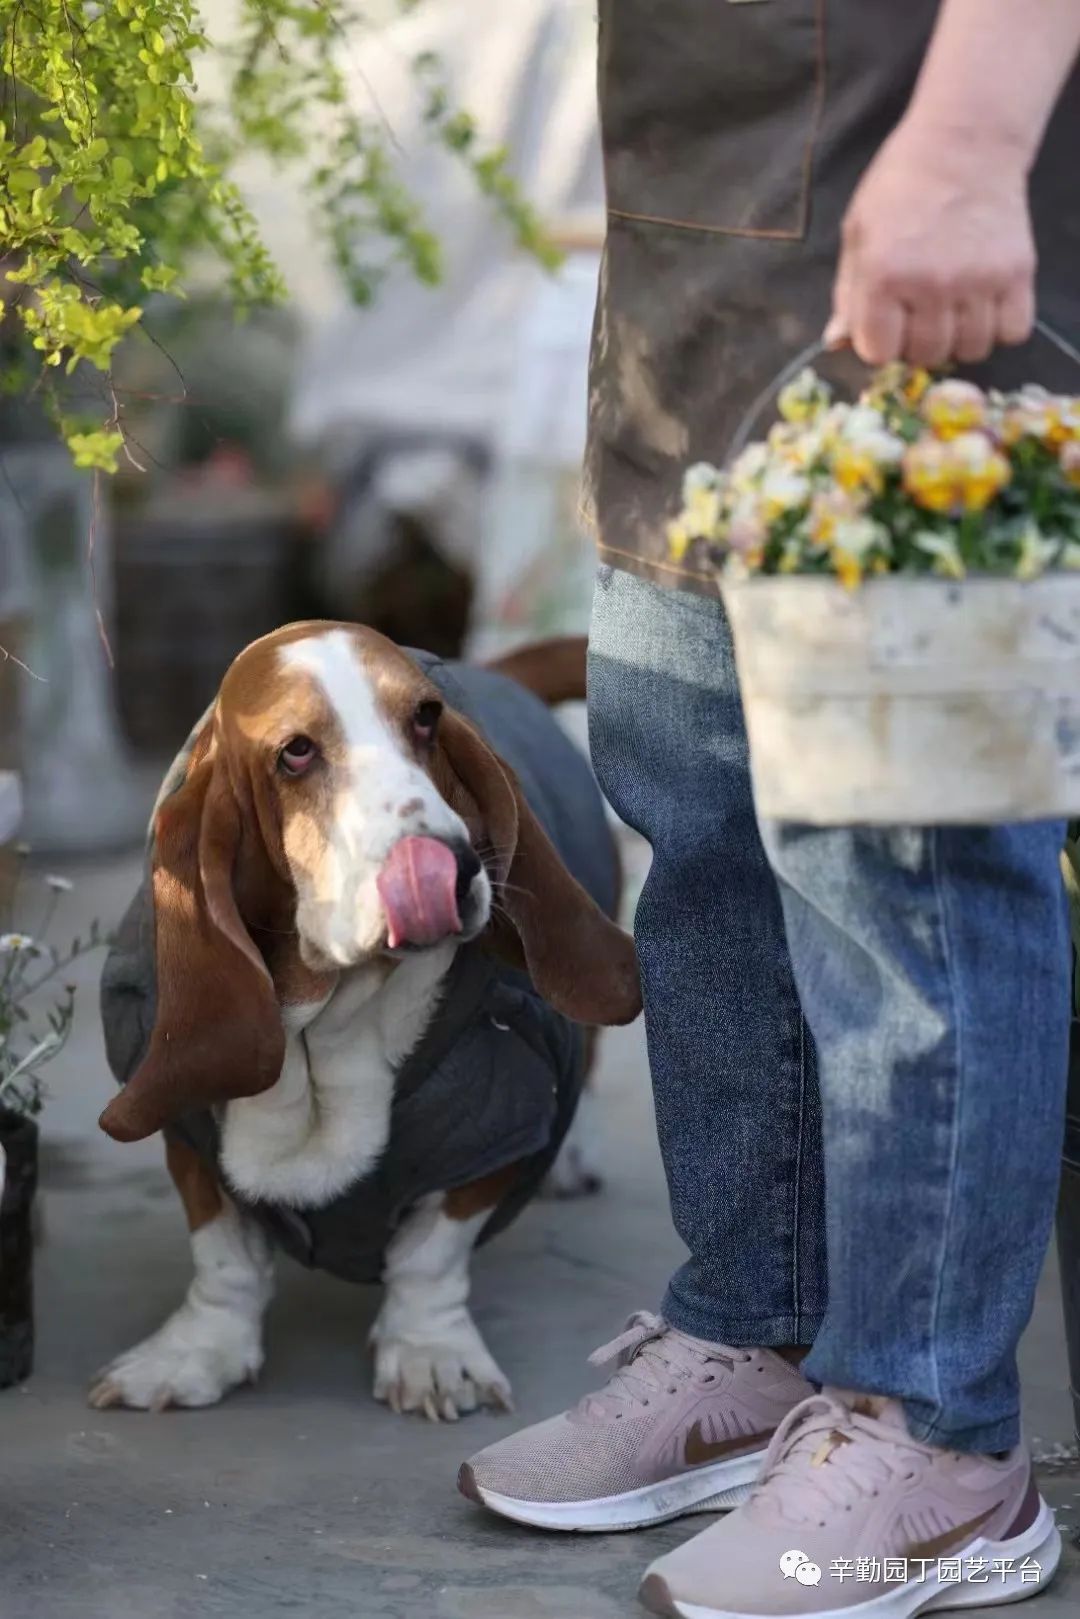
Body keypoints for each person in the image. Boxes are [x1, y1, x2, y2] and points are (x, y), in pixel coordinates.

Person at [458, 4, 1080, 1616]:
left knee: (907, 859)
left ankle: (937, 1444)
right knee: (699, 805)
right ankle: (758, 1327)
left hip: (920, 178)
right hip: (699, 245)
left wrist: (968, 142)